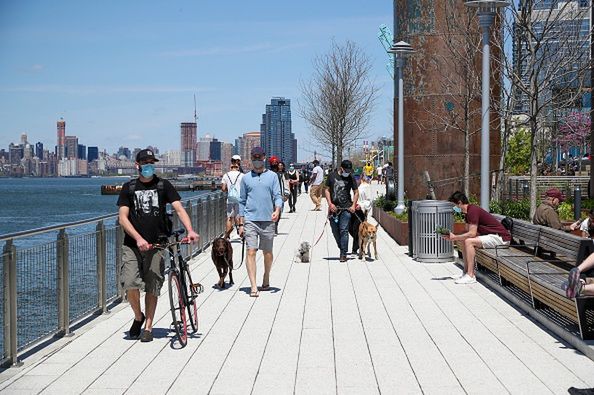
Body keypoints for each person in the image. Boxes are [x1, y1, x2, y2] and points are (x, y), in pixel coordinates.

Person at [117, 149, 199, 342]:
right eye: (145, 163)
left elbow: (179, 208)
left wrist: (190, 230)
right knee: (130, 284)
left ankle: (148, 326)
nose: (148, 166)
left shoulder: (164, 185)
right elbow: (122, 218)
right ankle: (139, 316)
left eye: (151, 163)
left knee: (153, 284)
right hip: (132, 244)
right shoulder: (128, 187)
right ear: (137, 165)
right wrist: (138, 238)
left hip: (157, 244)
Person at [238, 147, 283, 297]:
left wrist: (277, 209)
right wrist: (241, 222)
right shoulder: (245, 178)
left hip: (268, 219)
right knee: (251, 251)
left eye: (259, 157)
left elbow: (277, 195)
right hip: (251, 220)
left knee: (268, 252)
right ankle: (253, 286)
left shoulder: (272, 176)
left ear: (264, 158)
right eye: (254, 157)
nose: (256, 159)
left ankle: (266, 276)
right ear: (251, 158)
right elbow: (242, 200)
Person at [443, 191, 511, 284]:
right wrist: (452, 235)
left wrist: (455, 237)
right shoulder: (467, 213)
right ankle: (465, 272)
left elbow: (471, 233)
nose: (454, 208)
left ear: (459, 203)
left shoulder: (472, 211)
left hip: (501, 238)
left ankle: (471, 275)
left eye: (454, 205)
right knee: (464, 240)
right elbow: (466, 231)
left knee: (469, 242)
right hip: (491, 236)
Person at [325, 159, 359, 262]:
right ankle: (341, 247)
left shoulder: (351, 178)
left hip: (346, 208)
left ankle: (343, 254)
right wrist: (330, 204)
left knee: (343, 230)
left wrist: (353, 205)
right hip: (334, 208)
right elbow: (326, 190)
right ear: (341, 168)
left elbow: (356, 192)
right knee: (335, 231)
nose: (347, 173)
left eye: (349, 171)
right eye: (346, 170)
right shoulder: (331, 176)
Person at [221, 157, 244, 239]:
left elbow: (223, 189)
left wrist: (230, 189)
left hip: (230, 198)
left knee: (229, 218)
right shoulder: (242, 175)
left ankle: (227, 237)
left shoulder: (226, 175)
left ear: (231, 166)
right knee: (239, 216)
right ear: (238, 166)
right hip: (240, 198)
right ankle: (241, 233)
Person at [349, 175, 372, 255]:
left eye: (357, 178)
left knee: (356, 229)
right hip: (351, 209)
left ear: (361, 177)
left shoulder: (366, 186)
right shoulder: (351, 185)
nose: (356, 180)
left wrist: (361, 205)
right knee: (350, 228)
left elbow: (369, 200)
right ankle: (361, 243)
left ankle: (355, 249)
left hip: (360, 211)